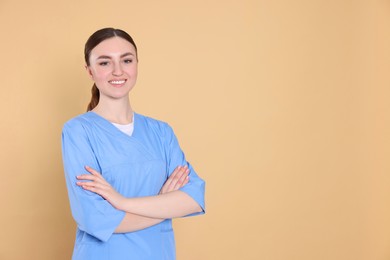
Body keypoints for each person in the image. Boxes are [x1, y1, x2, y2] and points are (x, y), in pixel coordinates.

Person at [61, 28, 205, 260]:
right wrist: (163, 205)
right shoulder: (79, 131)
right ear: (89, 71)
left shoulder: (161, 132)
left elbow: (193, 200)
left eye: (126, 60)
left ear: (137, 63)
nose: (118, 71)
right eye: (105, 63)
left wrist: (121, 202)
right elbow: (94, 218)